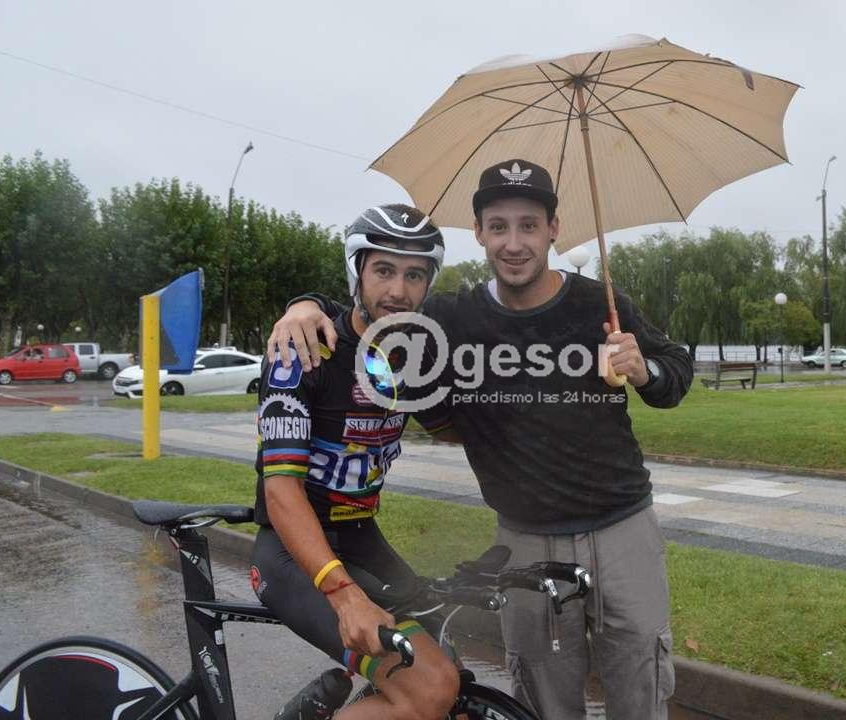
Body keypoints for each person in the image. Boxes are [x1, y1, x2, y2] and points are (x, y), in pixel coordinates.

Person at [268, 160, 694, 720]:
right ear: (479, 234)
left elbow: (675, 372)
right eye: (499, 227)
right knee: (543, 702)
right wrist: (304, 305)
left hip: (622, 530)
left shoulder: (599, 304)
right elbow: (375, 310)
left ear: (553, 229)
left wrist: (645, 370)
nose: (514, 243)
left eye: (528, 225)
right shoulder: (451, 318)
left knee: (640, 690)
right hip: (525, 536)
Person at [250, 203, 459, 720]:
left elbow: (457, 430)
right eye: (383, 270)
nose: (398, 290)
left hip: (362, 535)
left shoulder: (411, 358)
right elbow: (281, 491)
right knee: (429, 688)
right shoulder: (303, 350)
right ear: (357, 274)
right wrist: (345, 596)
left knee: (447, 667)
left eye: (414, 275)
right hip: (293, 553)